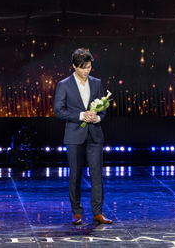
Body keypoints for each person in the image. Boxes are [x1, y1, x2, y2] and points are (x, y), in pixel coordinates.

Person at [54, 48, 113, 225]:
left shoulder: (96, 83)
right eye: (83, 67)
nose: (86, 70)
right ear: (74, 66)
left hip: (94, 135)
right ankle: (77, 212)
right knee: (75, 175)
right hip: (74, 136)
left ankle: (98, 212)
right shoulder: (64, 85)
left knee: (97, 175)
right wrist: (81, 116)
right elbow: (59, 110)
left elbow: (103, 108)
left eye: (88, 66)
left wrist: (97, 116)